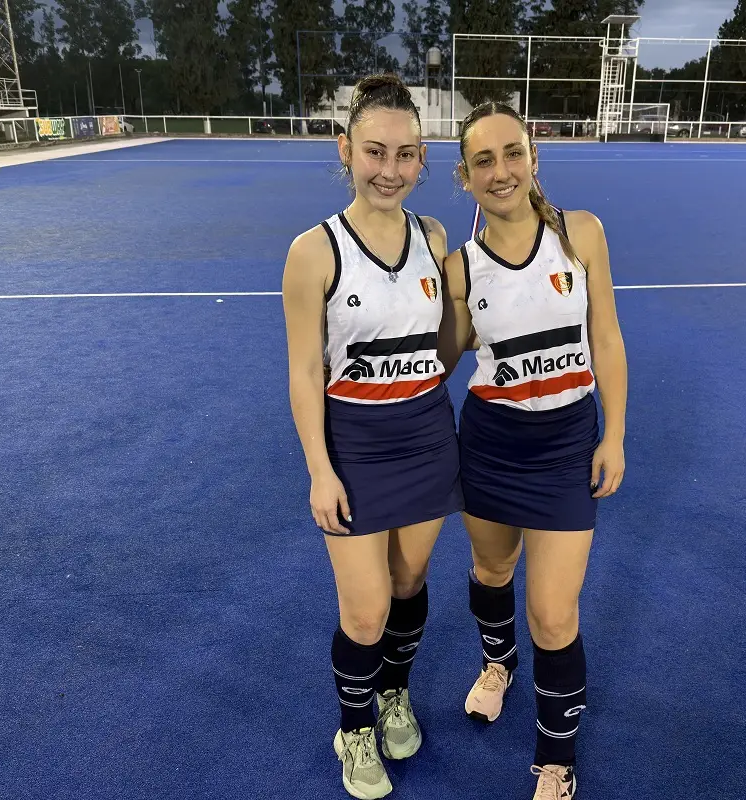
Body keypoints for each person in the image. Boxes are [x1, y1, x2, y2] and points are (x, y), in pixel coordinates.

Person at [438, 101, 628, 800]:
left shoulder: (581, 235)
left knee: (554, 612)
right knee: (492, 573)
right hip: (490, 443)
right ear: (464, 176)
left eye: (511, 153)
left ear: (533, 156)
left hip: (564, 446)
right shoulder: (460, 266)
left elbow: (606, 338)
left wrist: (613, 434)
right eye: (483, 161)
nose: (501, 170)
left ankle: (556, 758)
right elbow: (442, 358)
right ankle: (497, 665)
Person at [281, 74, 461, 800]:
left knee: (411, 583)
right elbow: (302, 375)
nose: (390, 169)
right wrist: (320, 471)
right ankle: (353, 726)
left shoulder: (435, 236)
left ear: (423, 158)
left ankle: (395, 693)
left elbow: (445, 341)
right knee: (364, 610)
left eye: (407, 154)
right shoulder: (314, 251)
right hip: (353, 444)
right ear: (345, 149)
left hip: (426, 435)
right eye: (375, 151)